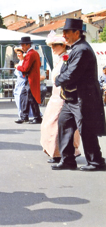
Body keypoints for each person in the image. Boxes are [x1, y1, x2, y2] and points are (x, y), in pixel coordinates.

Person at [51, 18, 106, 171]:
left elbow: (71, 74)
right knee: (64, 124)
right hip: (72, 97)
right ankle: (68, 160)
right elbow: (67, 72)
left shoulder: (82, 49)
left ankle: (96, 162)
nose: (64, 35)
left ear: (77, 33)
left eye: (67, 32)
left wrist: (57, 80)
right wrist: (62, 77)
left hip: (83, 97)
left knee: (86, 129)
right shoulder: (77, 48)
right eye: (64, 32)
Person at [40, 31, 81, 164]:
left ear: (63, 45)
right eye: (52, 46)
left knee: (59, 125)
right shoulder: (60, 59)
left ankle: (61, 153)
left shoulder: (67, 58)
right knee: (50, 124)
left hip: (63, 96)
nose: (53, 48)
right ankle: (55, 152)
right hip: (55, 96)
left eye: (56, 45)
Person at [14, 36, 42, 124]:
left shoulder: (30, 54)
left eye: (23, 45)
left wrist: (17, 66)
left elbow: (25, 68)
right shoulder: (34, 53)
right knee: (24, 96)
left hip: (31, 79)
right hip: (31, 78)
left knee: (31, 98)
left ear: (27, 45)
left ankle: (36, 117)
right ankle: (24, 116)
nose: (22, 47)